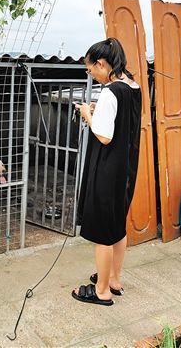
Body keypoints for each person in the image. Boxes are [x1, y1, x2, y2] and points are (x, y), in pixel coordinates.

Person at [72, 37, 142, 306]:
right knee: (117, 226)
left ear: (102, 64)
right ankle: (113, 279)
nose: (92, 74)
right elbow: (121, 121)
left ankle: (100, 291)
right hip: (126, 168)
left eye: (91, 70)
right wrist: (98, 111)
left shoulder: (111, 91)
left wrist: (87, 115)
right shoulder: (132, 86)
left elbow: (103, 135)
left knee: (102, 230)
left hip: (108, 168)